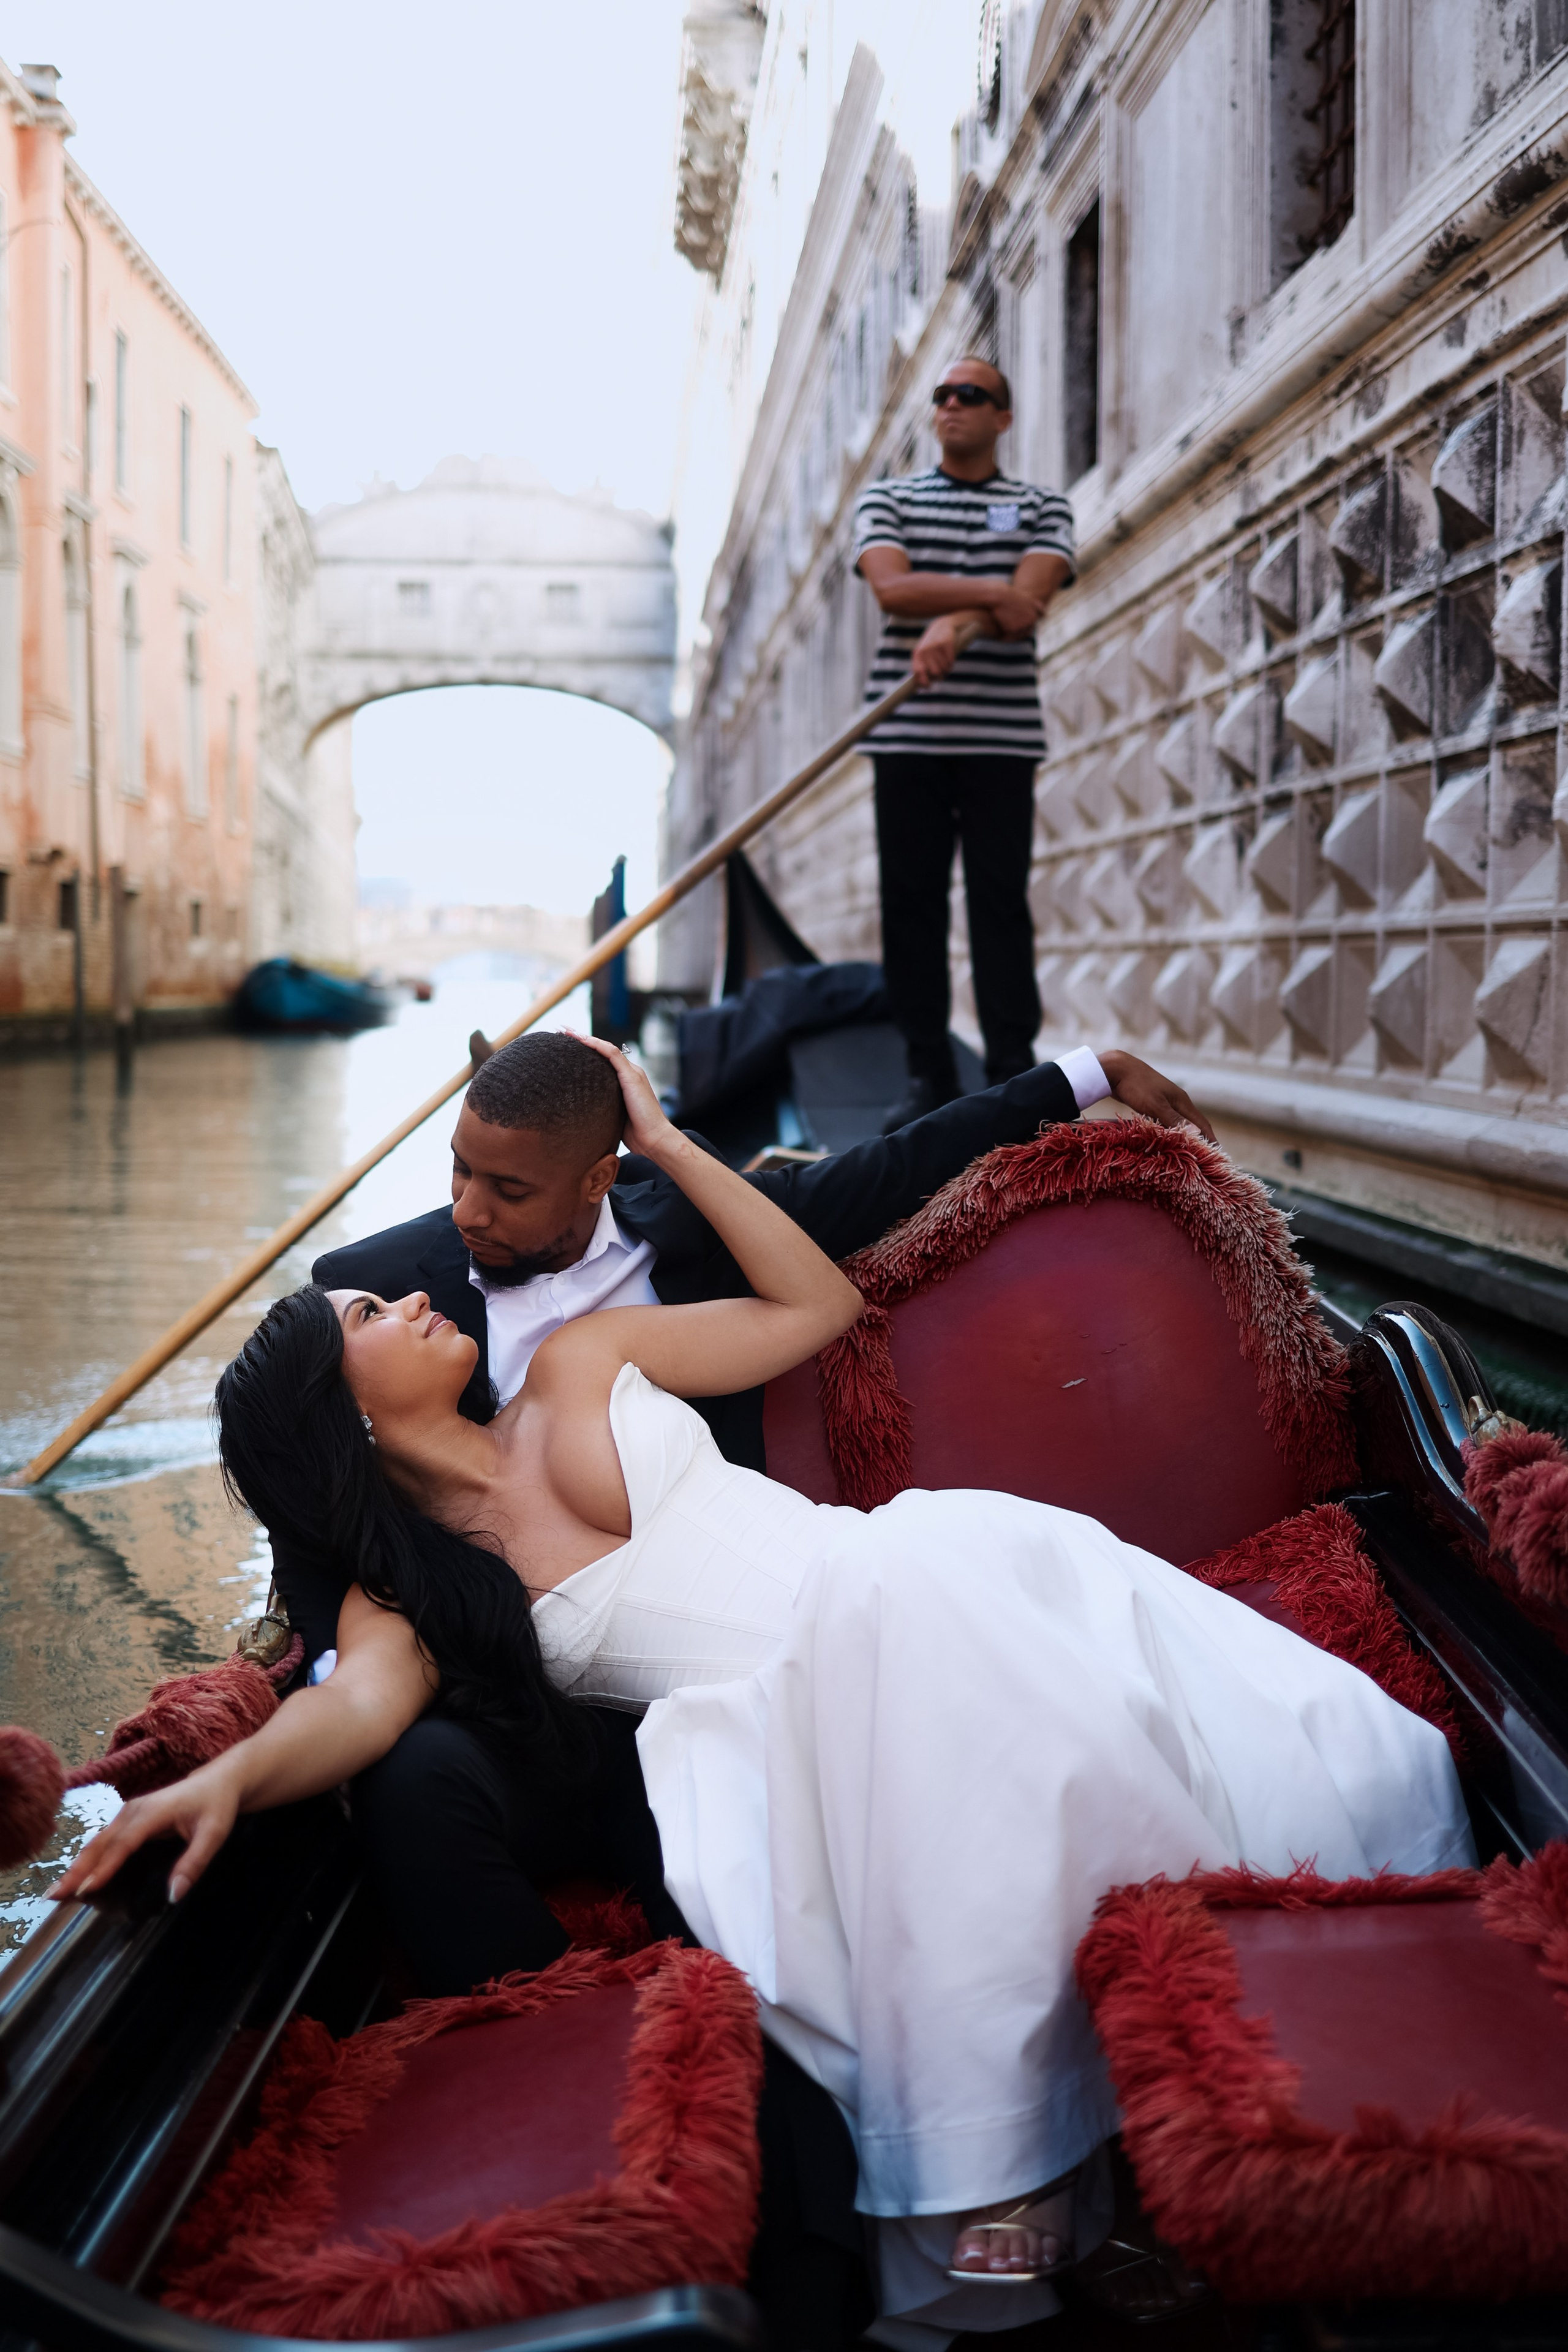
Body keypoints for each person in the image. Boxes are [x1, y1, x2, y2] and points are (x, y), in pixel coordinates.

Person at [56, 1038, 1473, 2344]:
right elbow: (353, 1706)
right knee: (943, 1750)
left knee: (958, 1662)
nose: (414, 1283)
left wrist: (663, 1145)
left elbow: (820, 1303)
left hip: (889, 1581)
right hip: (766, 1717)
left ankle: (1128, 2156)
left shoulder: (577, 1358)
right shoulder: (417, 1581)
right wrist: (223, 1773)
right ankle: (1032, 2228)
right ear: (345, 1413)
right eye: (370, 1309)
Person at [274, 1026, 1212, 2000]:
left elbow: (897, 1170)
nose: (468, 1210)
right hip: (543, 1697)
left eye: (507, 1191)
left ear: (599, 1176)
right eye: (459, 1172)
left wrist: (1088, 1073)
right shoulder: (385, 1288)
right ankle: (544, 2037)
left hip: (745, 1661)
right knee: (416, 1777)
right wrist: (340, 1662)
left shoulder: (692, 1225)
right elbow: (323, 1506)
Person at [855, 355, 1074, 1131]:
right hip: (907, 736)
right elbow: (892, 588)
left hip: (1001, 739)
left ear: (1002, 417)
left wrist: (953, 619)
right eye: (942, 395)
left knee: (998, 906)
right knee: (910, 909)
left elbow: (1032, 604)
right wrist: (984, 593)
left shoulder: (1044, 506)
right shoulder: (888, 498)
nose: (950, 405)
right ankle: (928, 1075)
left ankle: (1014, 1072)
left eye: (969, 395)